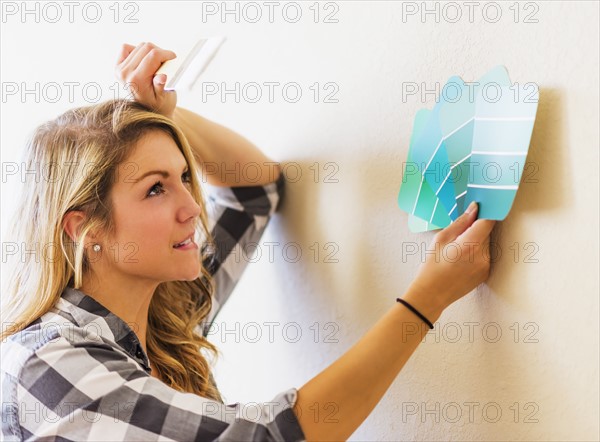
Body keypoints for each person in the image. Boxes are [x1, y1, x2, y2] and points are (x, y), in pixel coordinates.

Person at [0, 42, 496, 441]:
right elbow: (270, 436)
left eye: (182, 178)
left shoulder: (160, 308)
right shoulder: (47, 363)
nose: (191, 207)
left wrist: (161, 115)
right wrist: (428, 296)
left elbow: (253, 190)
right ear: (84, 230)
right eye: (155, 188)